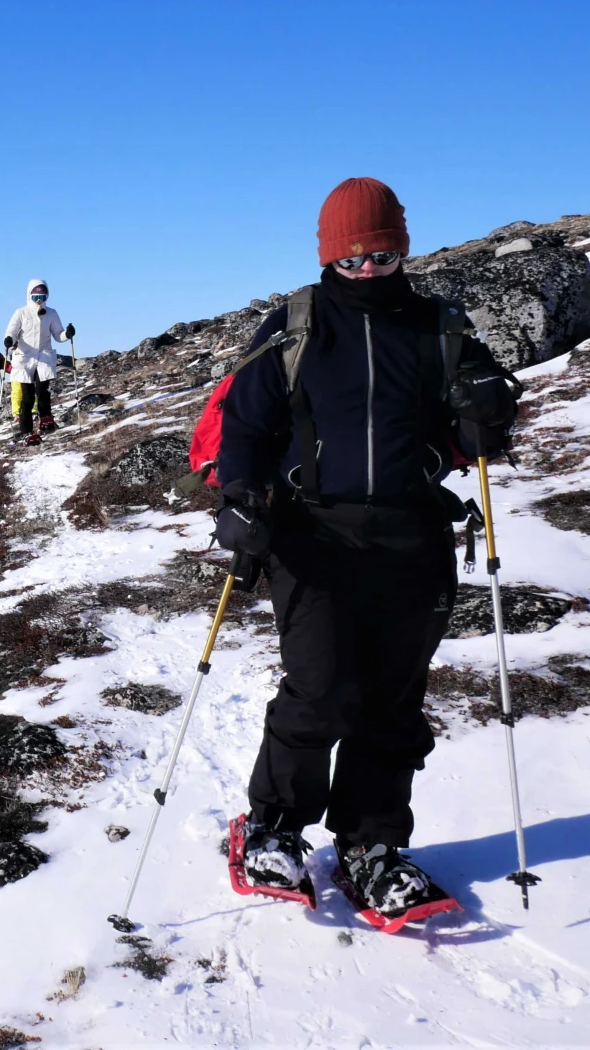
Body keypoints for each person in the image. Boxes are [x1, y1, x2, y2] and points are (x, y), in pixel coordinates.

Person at [214, 176, 512, 925]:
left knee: (392, 697)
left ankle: (370, 844)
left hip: (411, 533)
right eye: (352, 260)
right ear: (327, 257)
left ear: (400, 249)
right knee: (322, 686)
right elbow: (244, 425)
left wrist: (487, 405)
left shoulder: (438, 327)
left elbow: (478, 437)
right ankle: (274, 827)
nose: (368, 271)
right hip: (311, 532)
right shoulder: (297, 326)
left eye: (380, 256)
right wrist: (241, 500)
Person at [4, 280, 73, 445]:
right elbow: (11, 331)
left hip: (43, 357)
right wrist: (9, 340)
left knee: (43, 391)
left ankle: (46, 419)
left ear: (47, 296)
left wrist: (67, 335)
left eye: (42, 296)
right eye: (35, 297)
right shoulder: (21, 313)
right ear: (29, 295)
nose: (39, 301)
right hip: (25, 358)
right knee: (27, 397)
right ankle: (26, 431)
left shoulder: (51, 313)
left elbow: (58, 335)